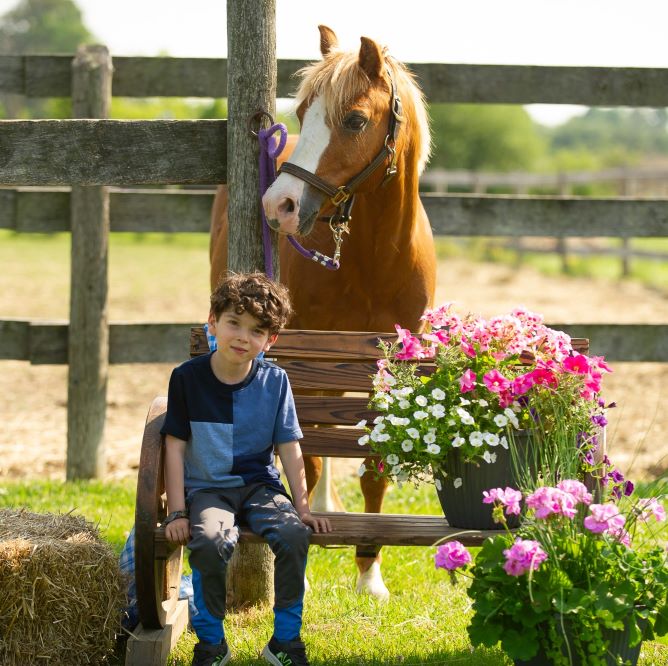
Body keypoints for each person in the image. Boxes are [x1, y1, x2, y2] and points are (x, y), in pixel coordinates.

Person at [162, 272, 331, 666]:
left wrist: (302, 508)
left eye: (256, 331)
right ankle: (211, 642)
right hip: (208, 490)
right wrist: (176, 511)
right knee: (208, 540)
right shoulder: (187, 378)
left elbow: (289, 446)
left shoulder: (275, 382)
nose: (242, 336)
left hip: (259, 487)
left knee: (291, 534)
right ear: (213, 321)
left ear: (270, 340)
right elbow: (174, 445)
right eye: (233, 323)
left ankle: (285, 641)